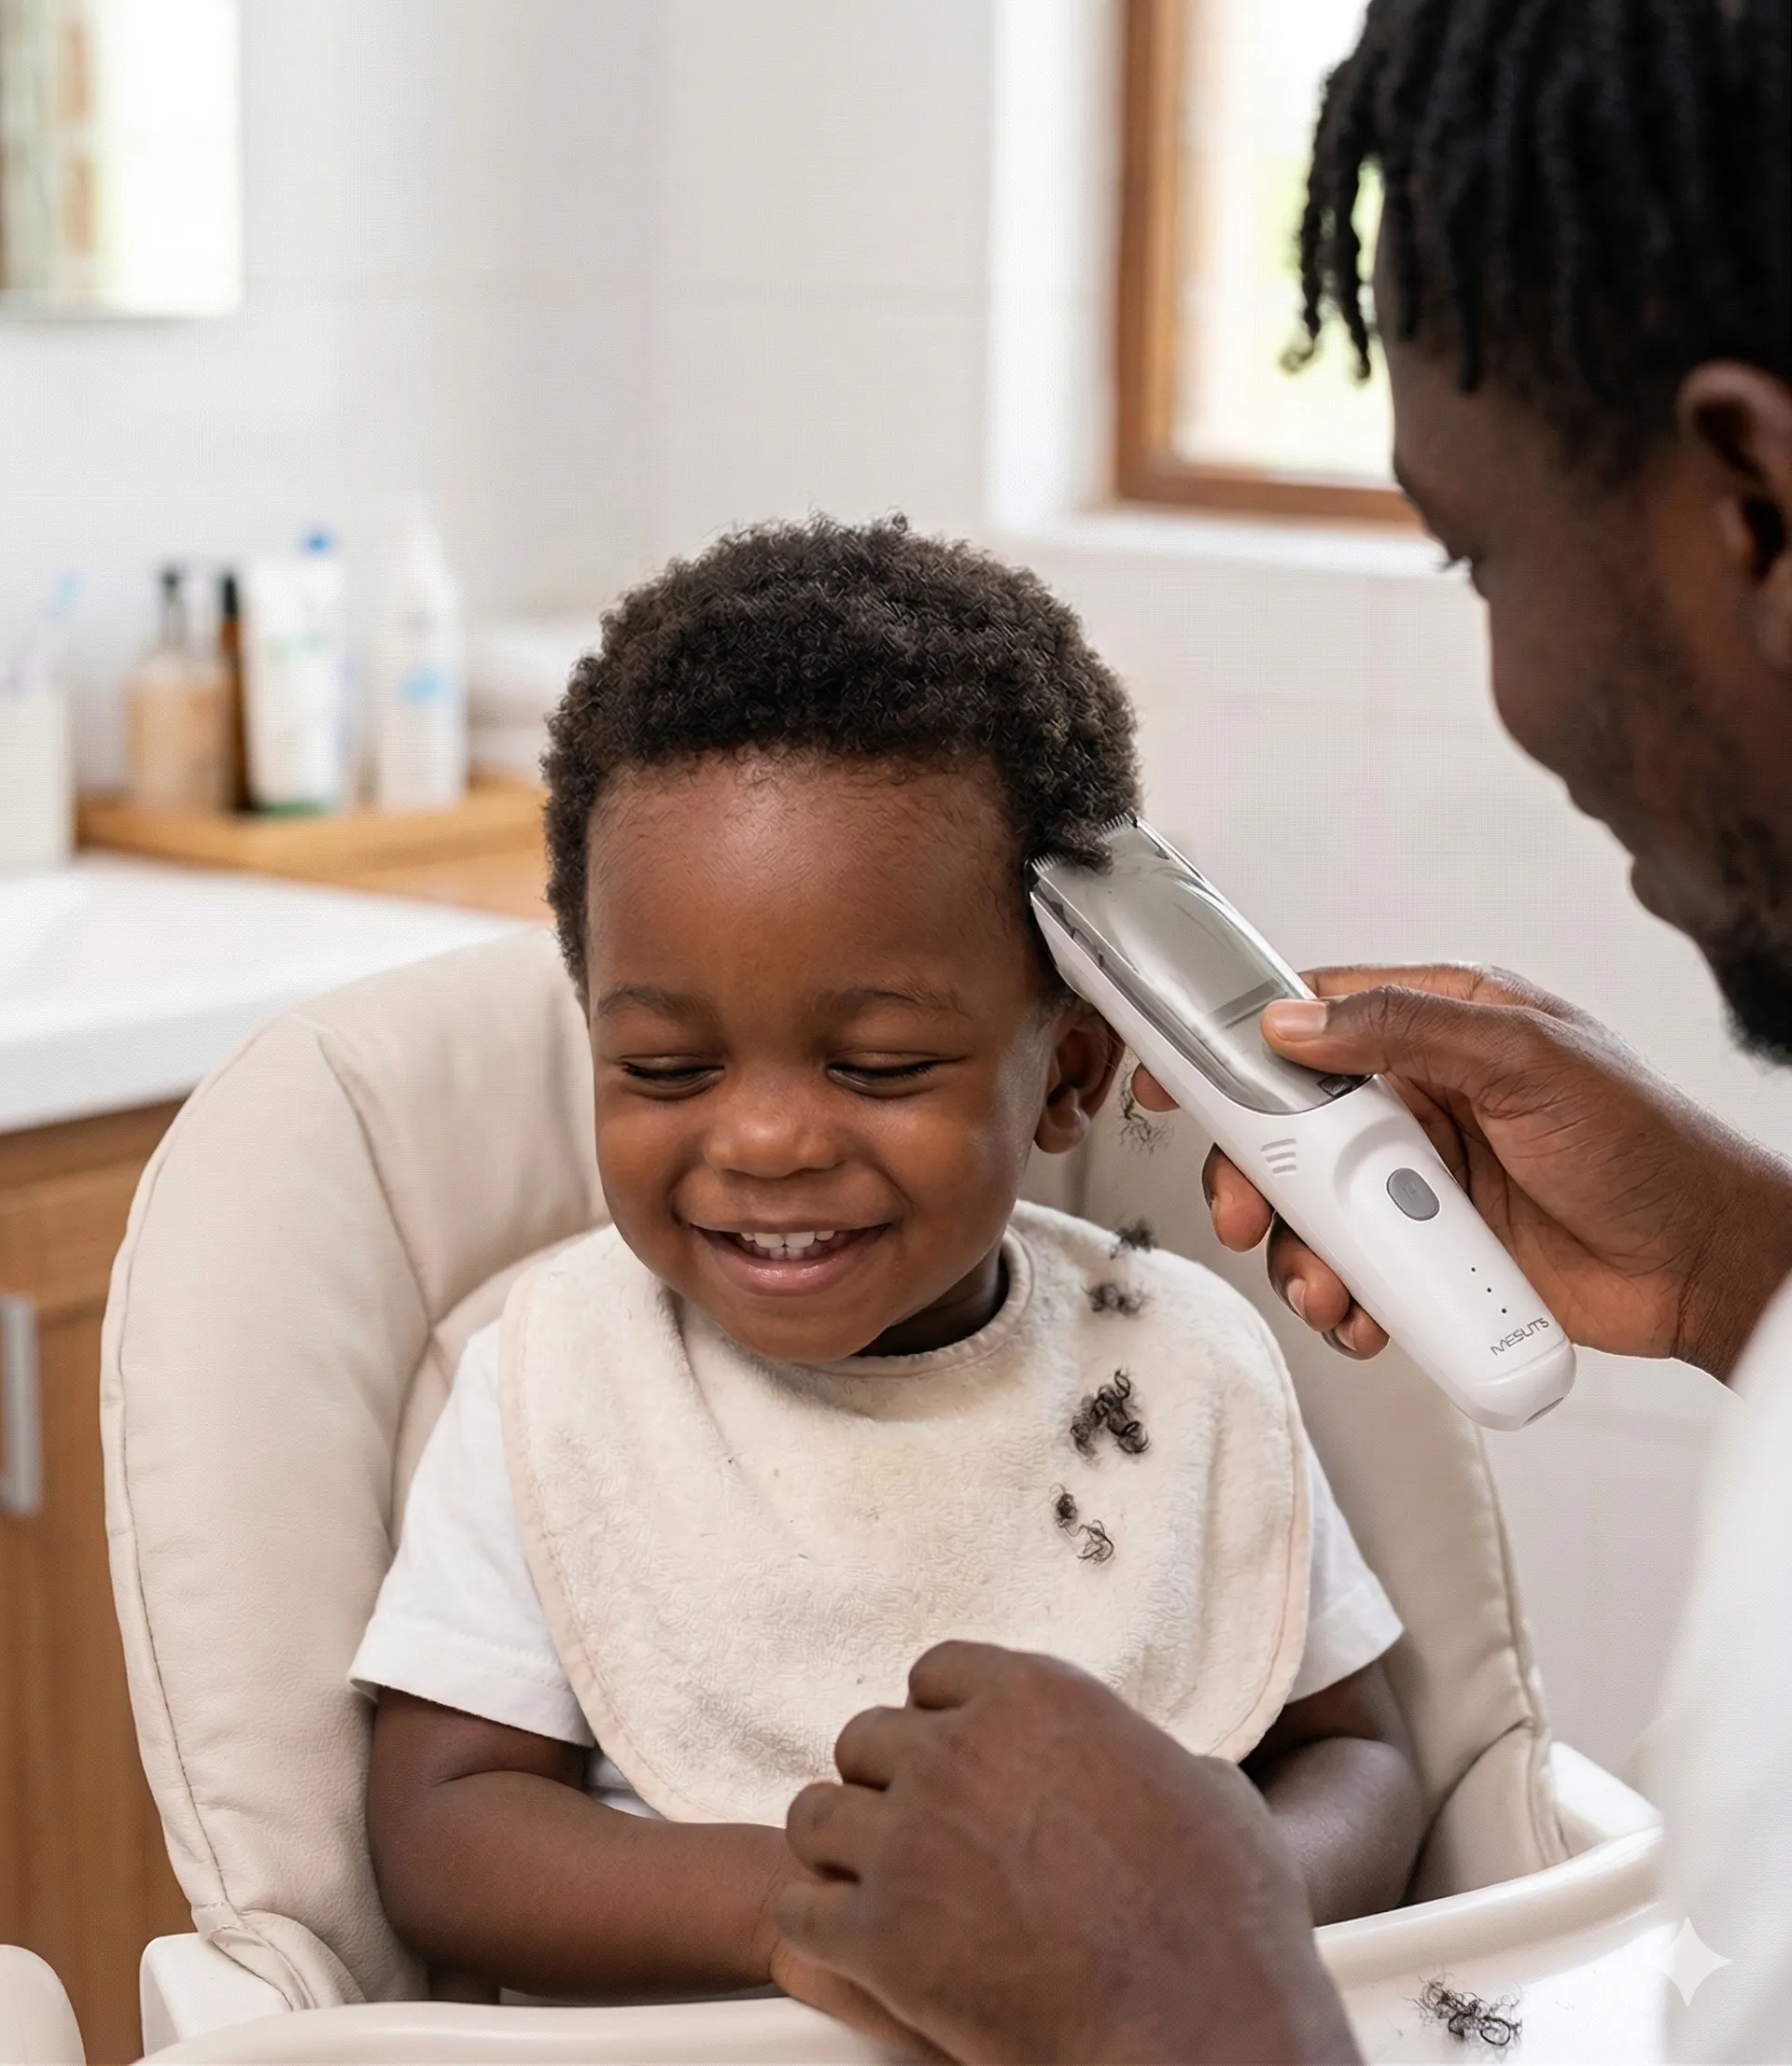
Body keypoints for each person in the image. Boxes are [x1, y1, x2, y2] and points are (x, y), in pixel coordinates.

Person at [770, 1, 1792, 2060]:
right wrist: (1739, 1273)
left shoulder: (1192, 1384)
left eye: (1480, 548)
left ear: (1752, 505)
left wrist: (1201, 2005)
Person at [348, 517, 1424, 2019]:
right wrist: (831, 1911)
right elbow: (444, 1825)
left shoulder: (1173, 1363)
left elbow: (1358, 1753)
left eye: (878, 1063)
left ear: (1068, 1074)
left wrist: (1190, 1922)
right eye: (666, 1067)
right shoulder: (562, 1375)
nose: (770, 1137)